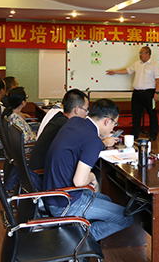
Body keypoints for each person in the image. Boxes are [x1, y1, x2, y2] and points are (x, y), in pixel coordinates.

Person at [43, 99, 133, 241]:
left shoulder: (75, 122)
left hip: (52, 192)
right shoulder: (93, 141)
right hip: (64, 203)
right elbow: (79, 182)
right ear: (107, 121)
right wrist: (92, 177)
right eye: (115, 124)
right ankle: (76, 240)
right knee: (126, 217)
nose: (113, 128)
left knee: (107, 199)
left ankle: (80, 231)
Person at [106, 46, 159, 141]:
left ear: (148, 54)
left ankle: (153, 134)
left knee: (152, 114)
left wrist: (157, 92)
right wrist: (115, 72)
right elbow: (128, 70)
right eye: (140, 53)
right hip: (137, 93)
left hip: (149, 93)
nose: (140, 55)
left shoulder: (154, 65)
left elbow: (158, 79)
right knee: (136, 114)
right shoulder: (137, 64)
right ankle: (135, 133)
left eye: (142, 53)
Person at [30, 89, 89, 170]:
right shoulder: (67, 127)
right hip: (41, 172)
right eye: (86, 110)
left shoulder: (59, 117)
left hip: (37, 168)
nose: (86, 114)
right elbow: (87, 146)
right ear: (77, 110)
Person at [3, 87, 36, 152]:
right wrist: (35, 136)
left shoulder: (11, 114)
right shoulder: (16, 120)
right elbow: (26, 140)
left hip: (19, 147)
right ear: (22, 102)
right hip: (27, 148)